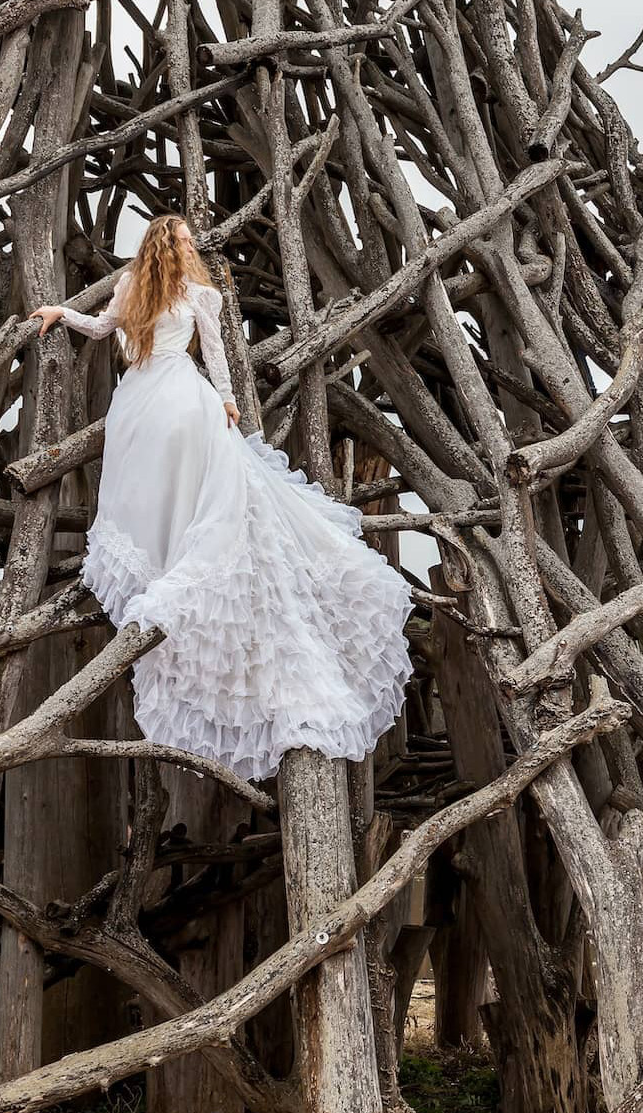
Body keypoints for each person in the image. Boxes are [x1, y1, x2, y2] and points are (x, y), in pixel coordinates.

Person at [31, 214, 413, 781]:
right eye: (184, 241)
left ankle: (167, 560)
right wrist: (228, 400)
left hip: (143, 400)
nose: (191, 248)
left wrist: (62, 314)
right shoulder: (190, 295)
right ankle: (179, 556)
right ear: (170, 247)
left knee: (157, 487)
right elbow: (214, 357)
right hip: (177, 397)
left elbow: (102, 328)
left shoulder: (137, 288)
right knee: (189, 485)